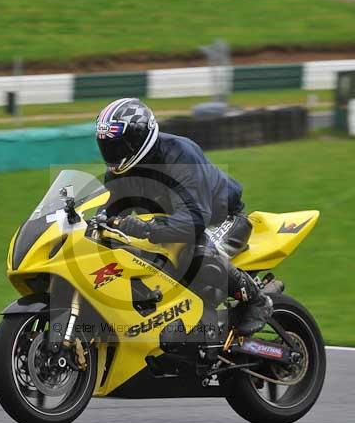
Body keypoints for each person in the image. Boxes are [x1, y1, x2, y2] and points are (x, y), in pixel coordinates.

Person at [95, 97, 273, 336]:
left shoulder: (180, 155)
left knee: (198, 256)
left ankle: (256, 299)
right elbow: (108, 211)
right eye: (107, 146)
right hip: (169, 228)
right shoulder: (119, 173)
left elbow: (194, 219)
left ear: (139, 139)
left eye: (118, 146)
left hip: (220, 219)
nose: (113, 154)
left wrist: (144, 229)